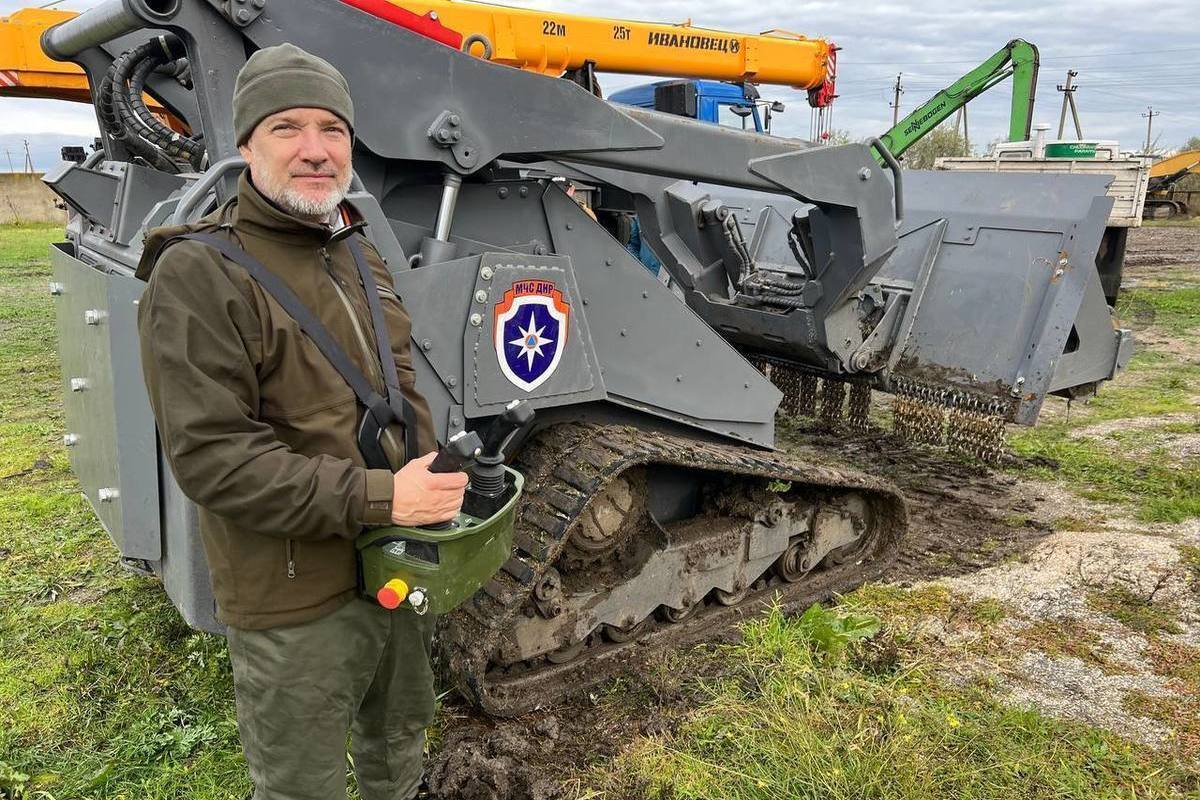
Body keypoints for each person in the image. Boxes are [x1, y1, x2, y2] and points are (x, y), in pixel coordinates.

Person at [134, 43, 465, 800]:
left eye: (332, 129)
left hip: (391, 565)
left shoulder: (356, 251)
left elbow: (399, 387)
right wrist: (387, 500)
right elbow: (215, 460)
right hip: (293, 595)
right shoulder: (198, 275)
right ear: (245, 144)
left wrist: (434, 471)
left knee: (398, 736)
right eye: (286, 128)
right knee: (300, 784)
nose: (315, 150)